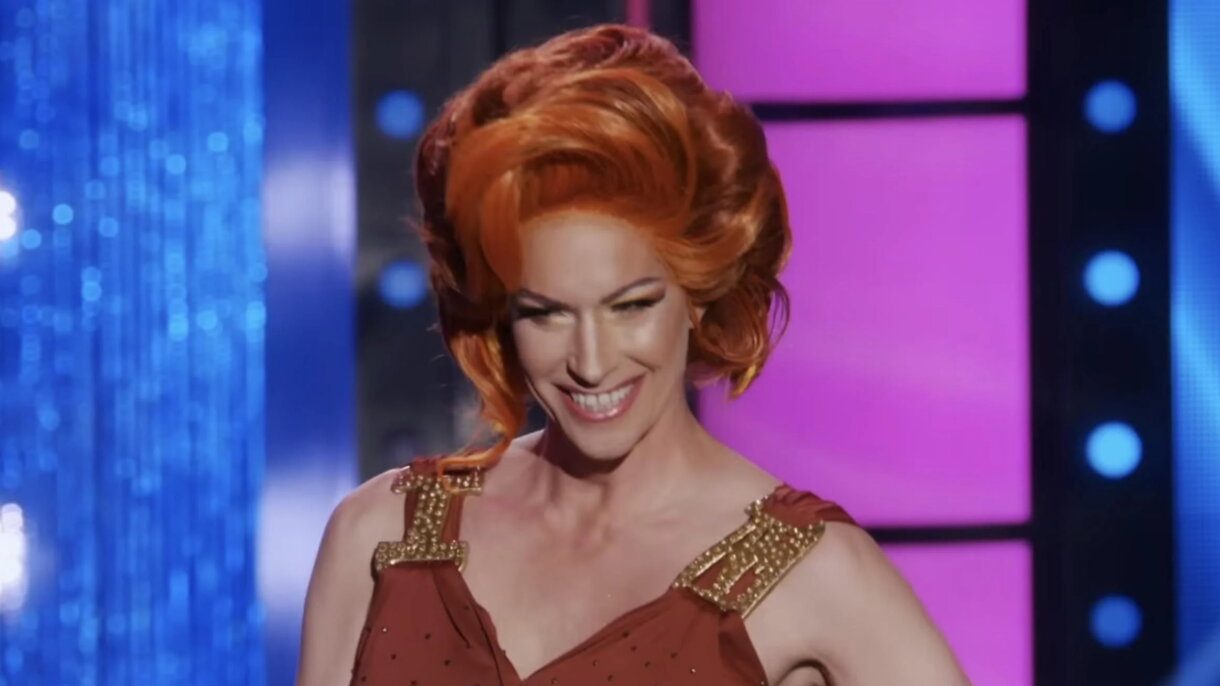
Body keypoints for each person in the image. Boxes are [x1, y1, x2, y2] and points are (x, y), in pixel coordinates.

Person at [297, 23, 968, 686]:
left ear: (698, 293)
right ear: (501, 313)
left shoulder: (814, 577)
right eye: (546, 313)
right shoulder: (379, 535)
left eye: (631, 306)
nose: (591, 362)